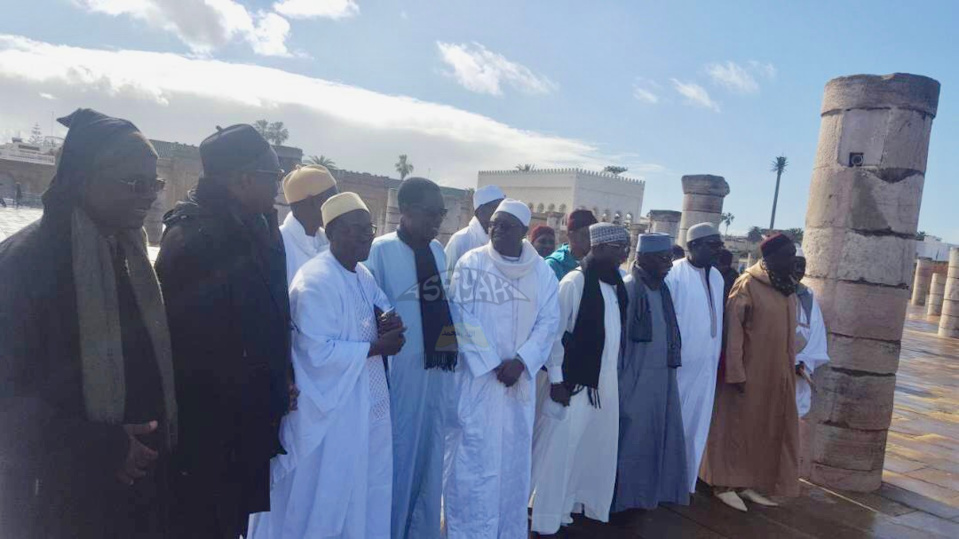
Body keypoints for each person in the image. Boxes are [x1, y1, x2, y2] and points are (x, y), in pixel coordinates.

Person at [0, 108, 175, 538]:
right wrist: (106, 448)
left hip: (132, 494)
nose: (148, 196)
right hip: (60, 494)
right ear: (83, 178)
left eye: (154, 184)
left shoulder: (126, 255)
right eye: (135, 184)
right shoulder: (28, 263)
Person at [155, 124, 293, 538]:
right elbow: (192, 355)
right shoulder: (193, 239)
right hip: (209, 437)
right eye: (273, 178)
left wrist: (278, 376)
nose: (277, 190)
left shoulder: (254, 227)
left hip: (244, 427)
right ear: (242, 179)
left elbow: (266, 316)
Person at [248, 192, 406, 538]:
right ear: (332, 232)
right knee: (324, 495)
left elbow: (383, 311)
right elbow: (313, 351)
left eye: (369, 228)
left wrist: (393, 325)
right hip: (330, 414)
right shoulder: (316, 279)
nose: (366, 235)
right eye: (355, 230)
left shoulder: (362, 274)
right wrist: (378, 346)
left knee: (363, 491)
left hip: (365, 404)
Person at [444, 199, 560, 539]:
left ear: (524, 232)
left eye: (506, 225)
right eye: (494, 223)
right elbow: (459, 315)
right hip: (477, 383)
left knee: (510, 463)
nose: (496, 230)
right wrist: (493, 363)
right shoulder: (471, 263)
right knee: (471, 461)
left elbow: (549, 322)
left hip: (516, 388)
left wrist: (522, 360)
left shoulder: (542, 273)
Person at [364, 178, 457, 539]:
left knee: (429, 456)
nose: (439, 221)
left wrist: (450, 354)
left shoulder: (437, 251)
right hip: (397, 377)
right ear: (406, 211)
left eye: (442, 214)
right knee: (397, 458)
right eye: (432, 213)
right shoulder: (380, 251)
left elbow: (446, 306)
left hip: (434, 373)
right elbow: (370, 312)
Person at [529, 223, 628, 535]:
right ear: (597, 249)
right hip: (573, 385)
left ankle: (568, 508)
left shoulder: (616, 285)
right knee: (560, 451)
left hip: (603, 384)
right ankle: (544, 518)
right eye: (618, 248)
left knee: (587, 449)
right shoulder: (575, 282)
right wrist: (557, 381)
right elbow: (553, 336)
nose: (624, 254)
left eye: (626, 247)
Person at [702, 233, 801, 511]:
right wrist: (736, 373)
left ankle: (745, 481)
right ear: (771, 258)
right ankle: (722, 482)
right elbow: (733, 333)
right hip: (748, 373)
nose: (793, 260)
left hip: (777, 373)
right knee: (735, 427)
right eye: (788, 254)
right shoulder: (747, 284)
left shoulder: (787, 287)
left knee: (761, 429)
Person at [612, 233, 689, 513]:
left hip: (660, 381)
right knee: (630, 442)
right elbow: (618, 344)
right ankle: (621, 501)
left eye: (670, 258)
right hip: (633, 381)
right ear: (643, 258)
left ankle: (642, 497)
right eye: (662, 258)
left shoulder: (662, 290)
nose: (669, 264)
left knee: (653, 441)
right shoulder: (631, 288)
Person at [664, 222, 725, 494]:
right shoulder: (674, 275)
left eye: (719, 244)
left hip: (707, 368)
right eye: (713, 244)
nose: (718, 250)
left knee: (697, 425)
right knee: (674, 426)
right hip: (679, 368)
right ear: (693, 246)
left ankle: (685, 482)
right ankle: (666, 481)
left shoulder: (718, 278)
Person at [279, 164, 338, 281]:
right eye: (331, 199)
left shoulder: (329, 241)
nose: (336, 206)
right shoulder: (279, 243)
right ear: (312, 202)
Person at [793, 246, 829, 418]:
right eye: (795, 265)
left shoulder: (807, 295)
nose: (799, 271)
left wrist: (802, 361)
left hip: (798, 370)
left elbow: (817, 334)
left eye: (802, 267)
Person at [444, 184, 505, 273]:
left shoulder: (503, 240)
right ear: (479, 210)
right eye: (494, 207)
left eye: (501, 207)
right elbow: (447, 277)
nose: (499, 212)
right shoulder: (461, 240)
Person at [545, 209, 597, 281]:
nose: (591, 240)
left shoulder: (596, 264)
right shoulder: (554, 265)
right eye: (586, 234)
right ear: (571, 235)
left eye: (594, 236)